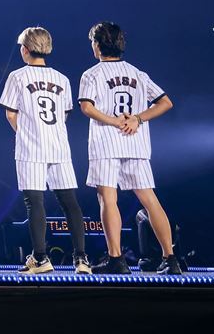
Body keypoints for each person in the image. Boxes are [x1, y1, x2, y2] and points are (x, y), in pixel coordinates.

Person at [78, 22, 181, 275]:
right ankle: (170, 258)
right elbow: (165, 102)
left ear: (97, 45)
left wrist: (115, 121)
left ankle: (116, 258)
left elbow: (87, 107)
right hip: (136, 142)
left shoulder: (92, 74)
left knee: (107, 198)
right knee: (149, 199)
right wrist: (137, 119)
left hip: (106, 142)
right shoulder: (137, 73)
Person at [0, 27, 91, 274]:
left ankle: (40, 258)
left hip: (31, 147)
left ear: (25, 49)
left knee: (34, 202)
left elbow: (10, 114)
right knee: (70, 202)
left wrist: (25, 133)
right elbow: (64, 114)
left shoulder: (17, 76)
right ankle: (81, 259)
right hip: (59, 145)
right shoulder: (62, 78)